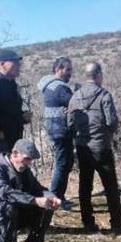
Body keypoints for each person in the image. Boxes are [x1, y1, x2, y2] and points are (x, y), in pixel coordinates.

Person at [67, 62, 121, 233]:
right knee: (110, 186)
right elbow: (112, 122)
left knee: (85, 185)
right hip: (101, 146)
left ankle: (87, 222)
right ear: (98, 75)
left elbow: (69, 123)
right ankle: (117, 224)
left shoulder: (75, 96)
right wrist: (109, 134)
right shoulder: (104, 95)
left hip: (83, 147)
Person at [37, 57, 75, 207]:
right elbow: (75, 103)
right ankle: (55, 198)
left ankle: (58, 196)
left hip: (54, 128)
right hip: (61, 130)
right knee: (62, 164)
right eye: (68, 70)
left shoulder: (49, 86)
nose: (70, 73)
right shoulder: (60, 87)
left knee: (64, 163)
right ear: (58, 69)